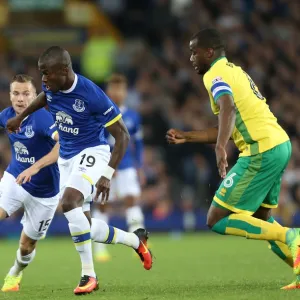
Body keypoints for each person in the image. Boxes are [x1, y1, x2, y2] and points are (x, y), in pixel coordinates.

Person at [6, 47, 153, 295]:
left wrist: (107, 174)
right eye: (41, 73)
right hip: (67, 159)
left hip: (94, 152)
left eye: (46, 73)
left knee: (70, 202)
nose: (42, 79)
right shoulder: (53, 88)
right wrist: (22, 117)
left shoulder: (91, 95)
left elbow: (123, 136)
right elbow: (44, 97)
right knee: (82, 224)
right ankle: (135, 241)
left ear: (64, 71)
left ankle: (89, 276)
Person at [166, 28, 299, 290]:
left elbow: (227, 107)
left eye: (194, 52)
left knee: (215, 218)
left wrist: (219, 149)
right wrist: (188, 136)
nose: (191, 58)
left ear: (209, 52)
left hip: (261, 149)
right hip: (279, 144)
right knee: (262, 220)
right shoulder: (235, 71)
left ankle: (292, 235)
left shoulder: (214, 75)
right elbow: (227, 124)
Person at [0, 74, 60, 292]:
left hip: (44, 192)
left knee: (27, 246)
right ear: (10, 96)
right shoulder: (6, 116)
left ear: (34, 97)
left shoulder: (43, 119)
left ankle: (15, 273)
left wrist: (35, 167)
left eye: (26, 93)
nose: (20, 98)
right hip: (15, 179)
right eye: (16, 93)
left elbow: (62, 146)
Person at [92, 74, 145, 262]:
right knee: (102, 204)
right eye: (113, 89)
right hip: (106, 167)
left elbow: (138, 144)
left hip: (127, 165)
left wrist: (140, 166)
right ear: (108, 92)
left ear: (125, 92)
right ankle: (99, 250)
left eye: (120, 89)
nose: (117, 93)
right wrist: (105, 168)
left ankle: (138, 243)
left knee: (131, 200)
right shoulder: (100, 115)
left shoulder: (133, 116)